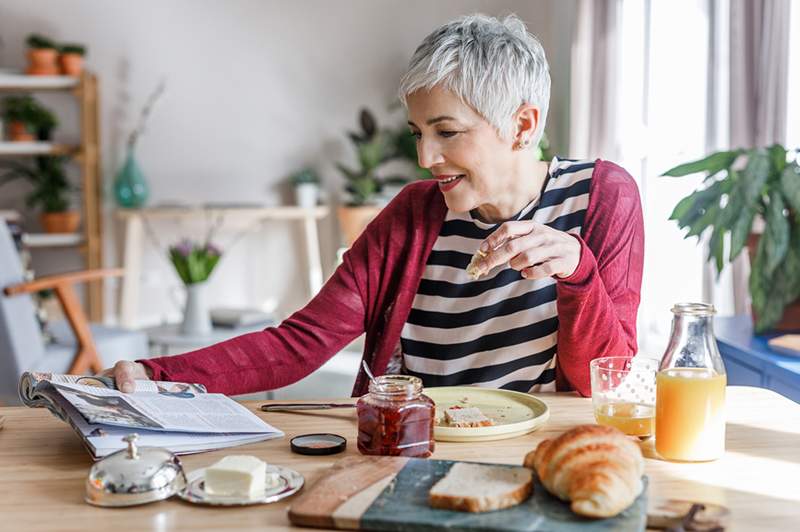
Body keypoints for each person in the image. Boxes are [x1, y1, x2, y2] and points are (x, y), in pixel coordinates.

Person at [104, 14, 643, 398]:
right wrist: (155, 373)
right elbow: (300, 344)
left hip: (539, 453)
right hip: (413, 448)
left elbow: (607, 377)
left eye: (447, 132)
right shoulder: (414, 213)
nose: (426, 157)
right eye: (417, 133)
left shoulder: (602, 197)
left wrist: (577, 272)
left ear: (522, 126)